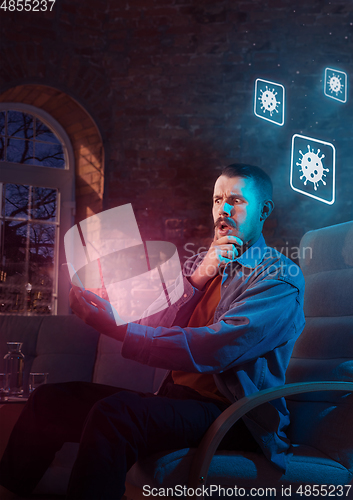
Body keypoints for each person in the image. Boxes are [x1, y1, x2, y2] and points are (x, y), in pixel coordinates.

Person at [0, 164, 305, 499]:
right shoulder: (203, 266)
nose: (224, 210)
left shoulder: (279, 277)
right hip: (178, 401)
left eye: (237, 200)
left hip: (233, 415)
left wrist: (119, 330)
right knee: (50, 401)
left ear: (264, 210)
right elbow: (156, 328)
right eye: (217, 200)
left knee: (115, 415)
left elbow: (216, 350)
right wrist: (197, 279)